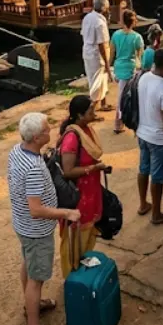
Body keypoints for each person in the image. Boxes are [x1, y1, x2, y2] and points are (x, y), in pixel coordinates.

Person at [7, 112, 80, 325]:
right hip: (36, 230)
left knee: (29, 264)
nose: (51, 131)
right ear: (37, 138)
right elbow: (36, 209)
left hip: (23, 225)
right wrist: (66, 213)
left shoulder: (16, 151)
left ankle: (32, 304)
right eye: (47, 130)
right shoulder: (34, 169)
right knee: (36, 279)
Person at [56, 95, 109, 276]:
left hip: (91, 192)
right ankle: (71, 278)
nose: (94, 113)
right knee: (74, 241)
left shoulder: (87, 130)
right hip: (78, 197)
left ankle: (82, 276)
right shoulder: (72, 138)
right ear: (80, 115)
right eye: (90, 111)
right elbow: (68, 171)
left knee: (87, 236)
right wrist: (93, 168)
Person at [137, 48, 163, 225]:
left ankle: (143, 204)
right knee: (158, 177)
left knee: (143, 169)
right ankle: (156, 214)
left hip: (142, 133)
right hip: (159, 139)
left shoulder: (144, 77)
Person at [109, 10, 145, 133]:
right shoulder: (137, 37)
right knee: (130, 96)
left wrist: (108, 68)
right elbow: (141, 56)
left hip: (119, 68)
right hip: (130, 68)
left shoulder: (116, 35)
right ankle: (121, 123)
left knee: (121, 96)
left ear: (122, 21)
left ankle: (119, 123)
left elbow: (111, 53)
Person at [81, 0, 112, 111]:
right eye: (107, 8)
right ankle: (91, 110)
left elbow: (84, 35)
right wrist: (107, 64)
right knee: (97, 82)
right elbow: (101, 45)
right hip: (97, 56)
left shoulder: (87, 17)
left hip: (87, 51)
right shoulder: (100, 23)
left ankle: (104, 104)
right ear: (104, 9)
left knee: (100, 80)